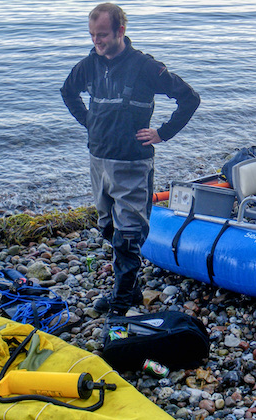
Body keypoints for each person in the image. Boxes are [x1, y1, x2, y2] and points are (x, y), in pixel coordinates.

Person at [61, 3, 200, 315]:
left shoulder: (146, 67)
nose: (97, 41)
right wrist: (89, 122)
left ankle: (121, 304)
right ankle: (133, 289)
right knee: (108, 228)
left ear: (121, 31)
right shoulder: (88, 64)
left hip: (133, 163)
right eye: (93, 35)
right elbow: (67, 92)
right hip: (98, 160)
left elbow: (190, 98)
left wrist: (163, 133)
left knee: (129, 234)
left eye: (103, 35)